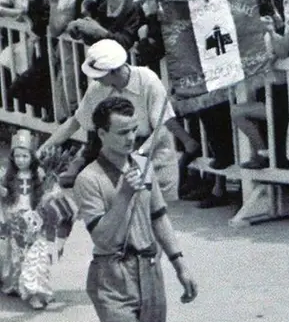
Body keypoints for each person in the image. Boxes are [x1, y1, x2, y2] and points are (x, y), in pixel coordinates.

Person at [73, 96, 198, 322]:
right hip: (113, 276)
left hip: (150, 270)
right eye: (122, 132)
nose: (130, 138)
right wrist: (126, 194)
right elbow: (103, 237)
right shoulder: (89, 180)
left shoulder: (142, 164)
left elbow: (159, 216)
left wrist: (180, 262)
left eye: (134, 130)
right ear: (101, 133)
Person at [37, 39, 194, 201]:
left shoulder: (148, 80)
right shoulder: (97, 89)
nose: (95, 79)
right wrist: (43, 149)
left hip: (154, 153)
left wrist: (138, 153)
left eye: (99, 75)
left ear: (113, 71)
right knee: (126, 216)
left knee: (159, 216)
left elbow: (161, 128)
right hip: (123, 157)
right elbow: (75, 122)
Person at [0, 129, 75, 309]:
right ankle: (20, 286)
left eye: (24, 156)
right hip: (16, 219)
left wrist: (50, 195)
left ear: (32, 157)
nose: (20, 160)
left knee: (36, 256)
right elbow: (5, 196)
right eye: (17, 156)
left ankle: (37, 290)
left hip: (36, 220)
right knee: (17, 256)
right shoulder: (8, 176)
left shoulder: (39, 176)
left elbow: (48, 194)